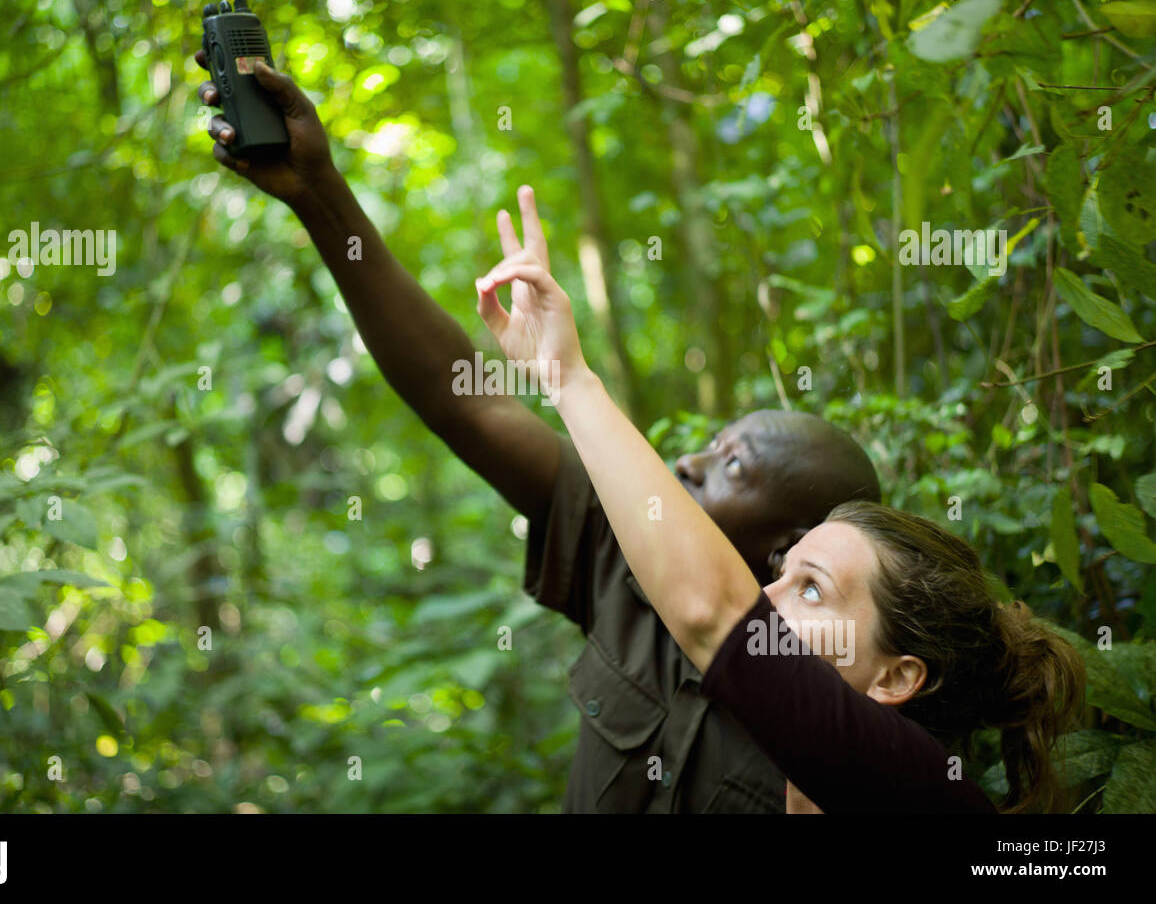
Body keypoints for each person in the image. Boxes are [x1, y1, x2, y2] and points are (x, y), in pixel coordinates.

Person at [195, 56, 880, 812]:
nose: (688, 458)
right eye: (710, 443)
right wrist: (319, 191)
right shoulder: (623, 564)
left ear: (789, 552)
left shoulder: (848, 726)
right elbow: (470, 403)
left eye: (730, 464)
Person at [473, 187, 1088, 814]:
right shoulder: (819, 776)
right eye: (785, 575)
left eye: (813, 589)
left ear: (896, 677)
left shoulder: (916, 786)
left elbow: (713, 611)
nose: (764, 598)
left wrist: (568, 377)